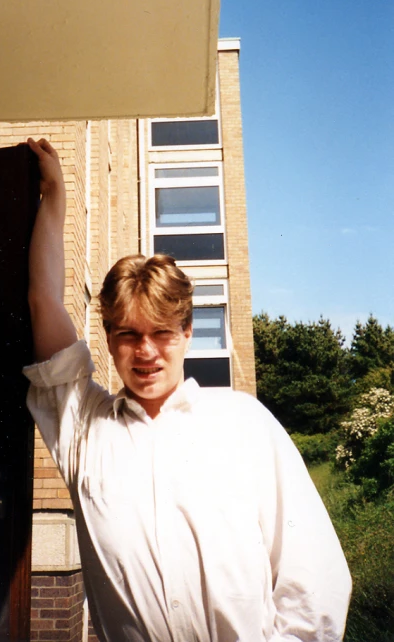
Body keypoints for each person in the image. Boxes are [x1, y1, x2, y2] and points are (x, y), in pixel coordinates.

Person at [23, 138, 352, 642]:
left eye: (161, 333)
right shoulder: (85, 430)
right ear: (109, 341)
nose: (146, 351)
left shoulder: (246, 423)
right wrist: (54, 194)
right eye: (128, 334)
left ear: (187, 333)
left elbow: (314, 576)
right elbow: (44, 299)